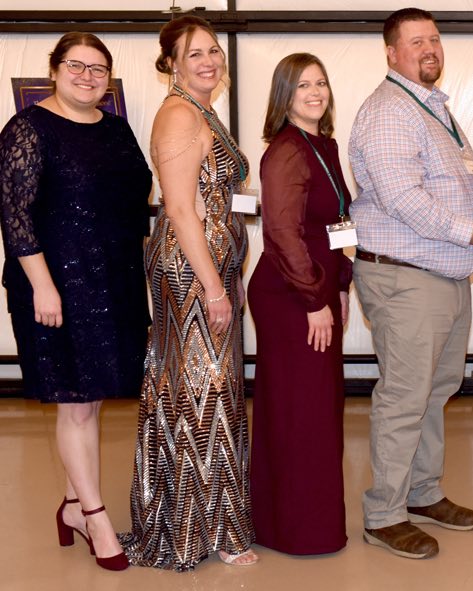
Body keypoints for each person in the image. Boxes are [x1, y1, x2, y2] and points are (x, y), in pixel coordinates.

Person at [348, 8, 473, 559]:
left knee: (435, 392)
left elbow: (454, 183)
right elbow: (402, 198)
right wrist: (471, 229)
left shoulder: (432, 110)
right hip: (406, 279)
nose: (429, 49)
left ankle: (421, 493)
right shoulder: (389, 112)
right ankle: (384, 514)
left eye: (435, 39)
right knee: (404, 398)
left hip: (442, 275)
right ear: (391, 53)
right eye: (416, 41)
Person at [0, 32, 150, 572]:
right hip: (55, 286)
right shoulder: (28, 128)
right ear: (54, 69)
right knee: (74, 402)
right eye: (76, 66)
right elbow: (14, 217)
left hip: (112, 280)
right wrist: (42, 284)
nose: (87, 76)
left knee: (91, 402)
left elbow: (135, 201)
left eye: (98, 69)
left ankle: (70, 506)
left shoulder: (115, 128)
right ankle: (95, 515)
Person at [122, 15, 257, 570]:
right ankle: (207, 530)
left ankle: (205, 520)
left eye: (214, 53)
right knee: (204, 395)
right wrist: (212, 287)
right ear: (172, 63)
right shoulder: (178, 114)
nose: (209, 61)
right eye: (195, 53)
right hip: (190, 274)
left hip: (209, 271)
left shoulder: (202, 111)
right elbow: (178, 209)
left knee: (209, 391)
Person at [248, 53, 351, 555]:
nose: (315, 92)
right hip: (290, 296)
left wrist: (343, 285)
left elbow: (336, 226)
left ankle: (295, 521)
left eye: (321, 82)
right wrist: (315, 299)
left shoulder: (323, 144)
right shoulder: (287, 150)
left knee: (317, 411)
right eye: (303, 85)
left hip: (317, 288)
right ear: (284, 95)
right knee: (301, 414)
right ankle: (295, 530)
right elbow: (282, 234)